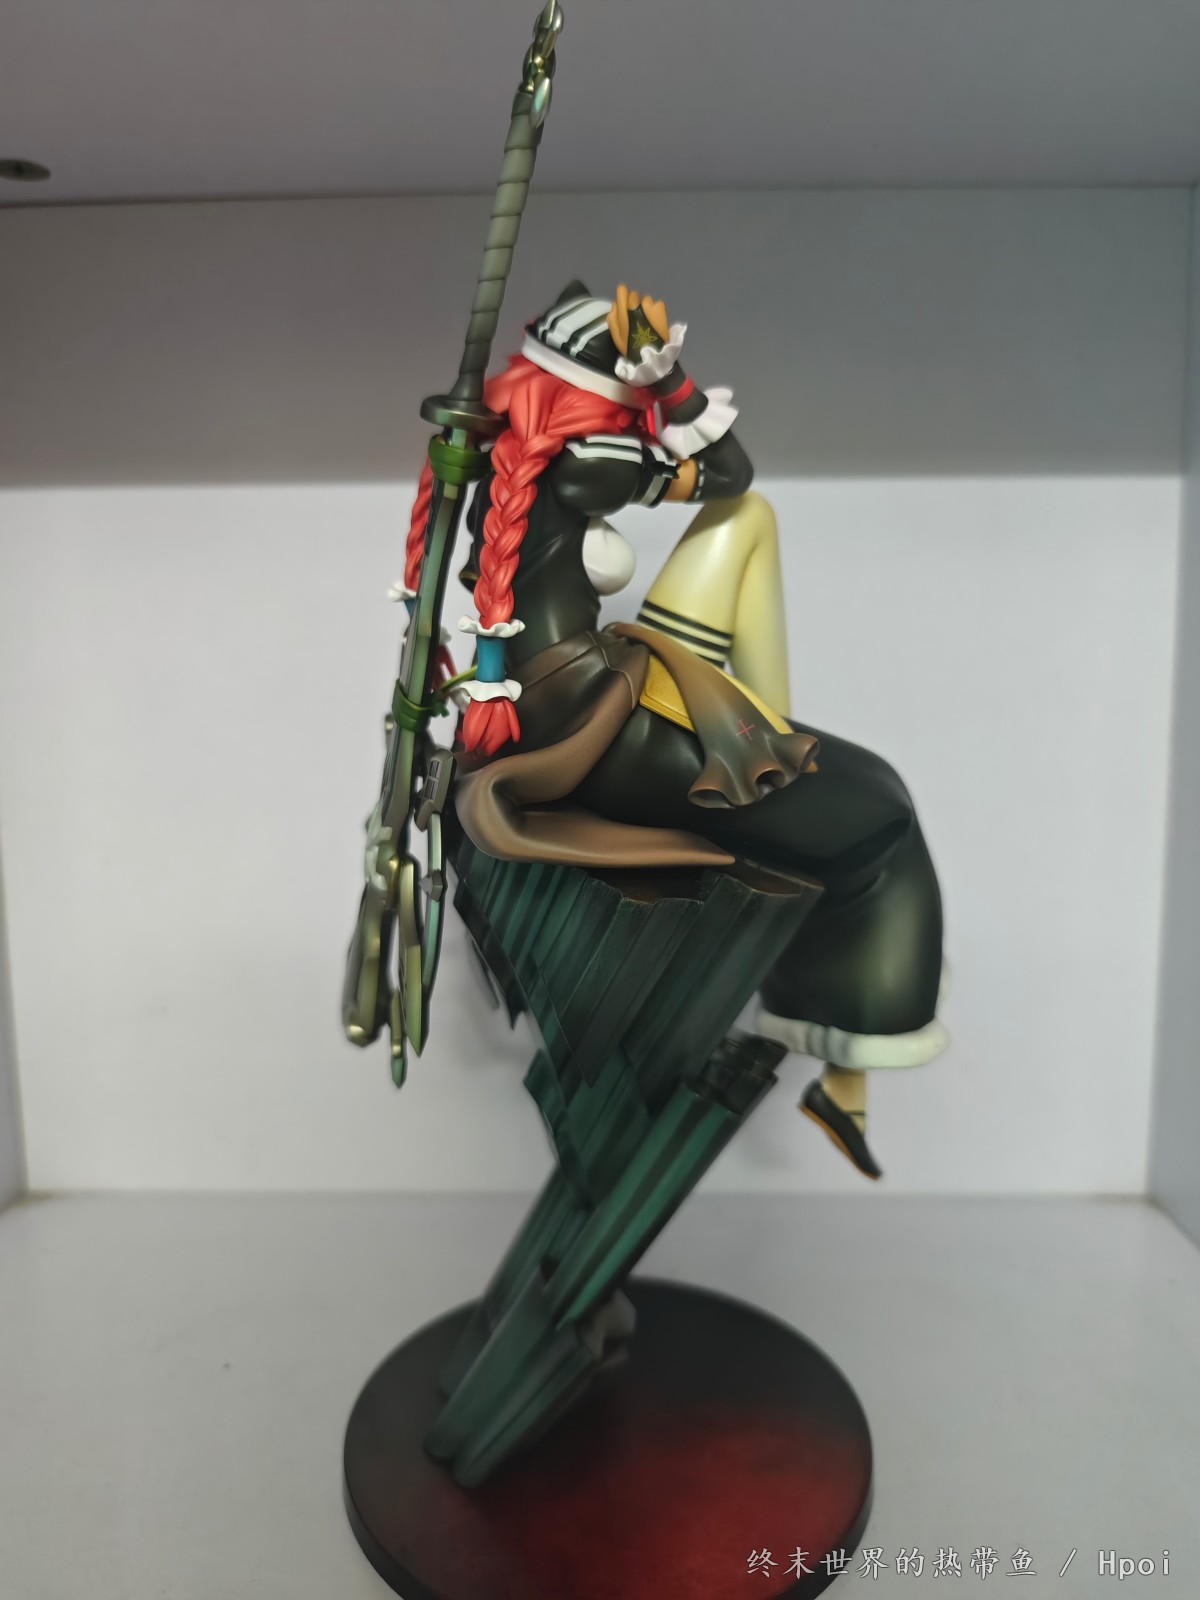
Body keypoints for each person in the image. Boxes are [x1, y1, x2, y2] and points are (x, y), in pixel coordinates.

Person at [400, 280, 948, 1177]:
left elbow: (737, 498)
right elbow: (729, 468)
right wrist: (674, 387)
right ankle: (849, 1073)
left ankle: (766, 738)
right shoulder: (590, 461)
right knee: (883, 813)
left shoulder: (511, 455)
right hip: (597, 723)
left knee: (750, 525)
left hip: (559, 698)